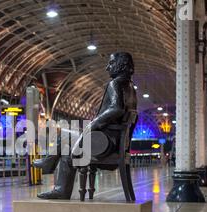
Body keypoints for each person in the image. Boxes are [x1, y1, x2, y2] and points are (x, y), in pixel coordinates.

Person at [33, 52, 138, 199]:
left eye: (111, 63)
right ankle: (50, 168)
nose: (108, 67)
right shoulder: (131, 88)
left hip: (104, 142)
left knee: (64, 138)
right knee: (67, 146)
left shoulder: (115, 83)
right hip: (115, 141)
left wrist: (94, 123)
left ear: (121, 65)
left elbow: (117, 108)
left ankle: (54, 177)